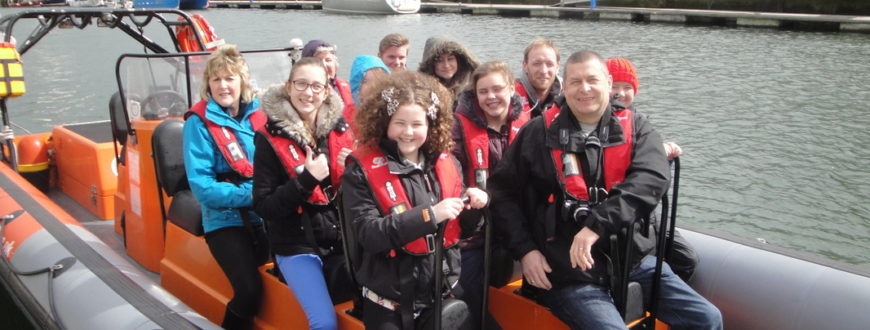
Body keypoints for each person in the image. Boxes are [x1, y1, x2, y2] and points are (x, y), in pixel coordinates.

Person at [488, 50, 722, 329]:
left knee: (708, 319)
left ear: (608, 84)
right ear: (565, 86)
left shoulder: (637, 128)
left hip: (632, 261)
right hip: (569, 272)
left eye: (592, 80)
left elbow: (652, 177)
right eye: (575, 82)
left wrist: (595, 227)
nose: (584, 89)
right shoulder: (538, 133)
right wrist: (525, 251)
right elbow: (501, 193)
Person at [341, 71, 489, 329]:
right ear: (384, 122)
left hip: (443, 295)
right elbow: (369, 234)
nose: (408, 132)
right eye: (399, 123)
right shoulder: (359, 170)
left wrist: (474, 208)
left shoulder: (447, 162)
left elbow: (462, 230)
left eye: (417, 124)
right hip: (391, 304)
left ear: (431, 124)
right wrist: (429, 215)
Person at [252, 57, 355, 330]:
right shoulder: (267, 139)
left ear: (326, 92)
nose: (308, 93)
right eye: (301, 84)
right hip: (296, 246)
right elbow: (264, 206)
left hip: (340, 238)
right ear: (288, 87)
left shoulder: (341, 132)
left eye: (316, 86)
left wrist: (353, 172)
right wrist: (306, 180)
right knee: (324, 323)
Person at [182, 44, 269, 330]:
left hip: (267, 211)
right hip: (224, 218)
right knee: (249, 291)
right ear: (208, 83)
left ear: (242, 80)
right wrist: (254, 194)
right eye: (216, 79)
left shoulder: (261, 115)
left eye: (230, 78)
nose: (223, 85)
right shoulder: (199, 124)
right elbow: (203, 188)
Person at [451, 61, 530, 329]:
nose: (491, 97)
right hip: (474, 227)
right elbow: (450, 172)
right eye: (483, 91)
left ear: (511, 89)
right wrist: (467, 193)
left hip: (517, 220)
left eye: (497, 89)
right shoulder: (458, 126)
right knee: (469, 290)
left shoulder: (528, 124)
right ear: (475, 95)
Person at [605, 57, 697, 282]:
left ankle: (657, 299)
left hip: (645, 210)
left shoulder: (640, 122)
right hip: (619, 208)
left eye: (627, 88)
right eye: (615, 87)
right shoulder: (599, 123)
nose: (621, 93)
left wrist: (660, 153)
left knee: (686, 258)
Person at [515, 38, 562, 118]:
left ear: (557, 67)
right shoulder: (509, 96)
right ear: (525, 66)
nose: (543, 71)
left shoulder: (569, 96)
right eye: (537, 63)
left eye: (549, 64)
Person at [303, 40, 354, 107]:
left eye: (328, 60)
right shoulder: (301, 94)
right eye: (318, 61)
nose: (324, 65)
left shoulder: (350, 89)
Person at [345, 55, 391, 131]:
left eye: (379, 81)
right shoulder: (348, 116)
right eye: (366, 81)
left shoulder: (391, 112)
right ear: (357, 86)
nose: (373, 86)